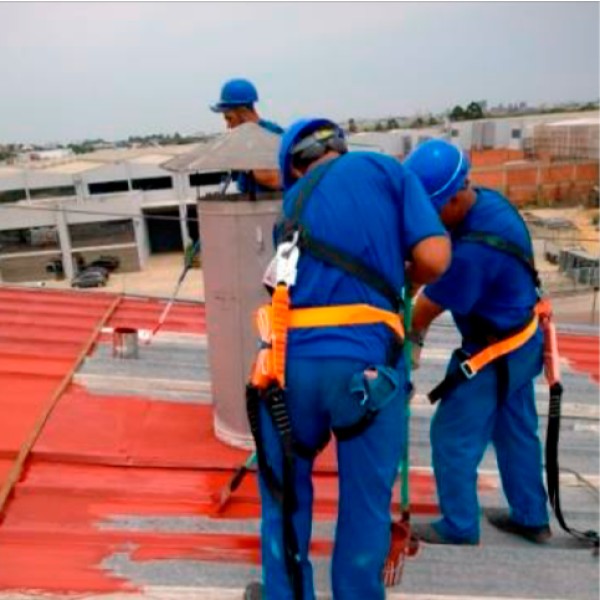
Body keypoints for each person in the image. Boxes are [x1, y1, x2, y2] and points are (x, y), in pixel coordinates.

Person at [246, 118, 450, 599]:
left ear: (295, 169)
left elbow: (279, 286)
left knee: (283, 499)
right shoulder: (385, 170)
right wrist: (405, 278)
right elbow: (436, 258)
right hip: (366, 370)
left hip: (289, 369)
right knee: (364, 508)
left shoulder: (292, 207)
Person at [403, 138, 552, 546]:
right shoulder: (488, 204)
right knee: (516, 430)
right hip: (521, 343)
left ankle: (459, 525)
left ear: (453, 197)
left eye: (432, 208)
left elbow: (424, 308)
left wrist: (405, 342)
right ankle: (531, 517)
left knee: (451, 436)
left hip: (493, 352)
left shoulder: (476, 249)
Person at [210, 77, 283, 192]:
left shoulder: (271, 135)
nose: (228, 126)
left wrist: (251, 168)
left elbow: (274, 179)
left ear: (244, 112)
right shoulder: (246, 142)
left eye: (229, 118)